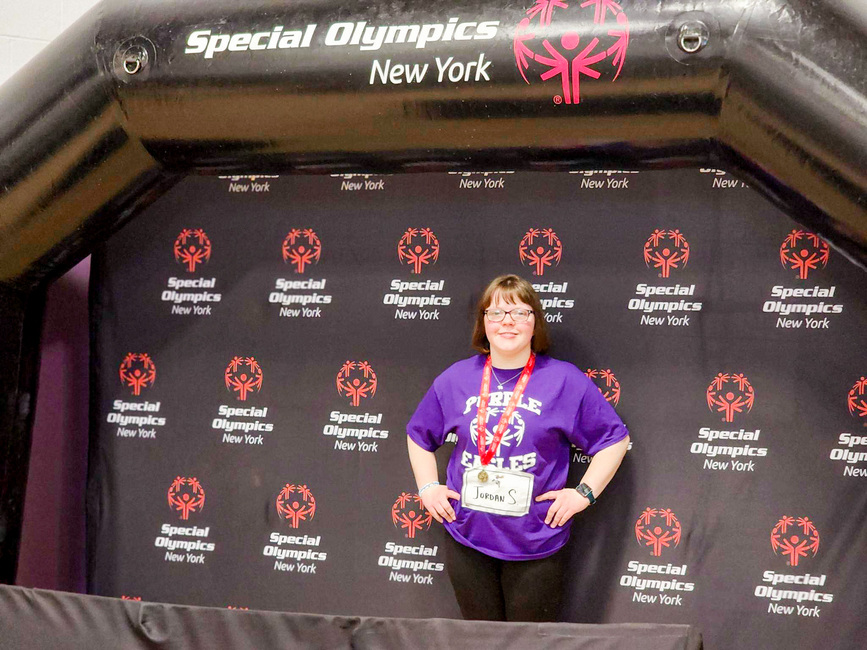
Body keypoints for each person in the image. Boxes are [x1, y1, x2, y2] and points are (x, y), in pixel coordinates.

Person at [406, 274, 630, 621]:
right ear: (483, 323)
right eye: (496, 313)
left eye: (519, 313)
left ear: (534, 322)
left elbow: (614, 440)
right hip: (468, 536)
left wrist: (583, 493)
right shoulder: (455, 379)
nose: (507, 322)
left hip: (536, 542)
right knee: (479, 643)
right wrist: (427, 487)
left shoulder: (564, 380)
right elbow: (419, 435)